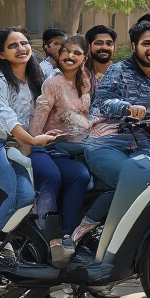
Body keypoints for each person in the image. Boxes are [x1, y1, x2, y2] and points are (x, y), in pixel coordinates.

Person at [73, 20, 150, 244]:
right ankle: (82, 231)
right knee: (135, 181)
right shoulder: (118, 70)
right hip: (107, 143)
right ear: (133, 47)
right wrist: (127, 108)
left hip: (148, 146)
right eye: (146, 43)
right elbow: (101, 103)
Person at [0, 28, 58, 273]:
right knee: (23, 195)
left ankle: (32, 263)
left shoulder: (39, 76)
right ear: (0, 53)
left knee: (37, 205)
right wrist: (32, 141)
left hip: (23, 147)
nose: (22, 48)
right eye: (13, 46)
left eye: (24, 43)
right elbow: (6, 117)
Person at [27, 35, 93, 259]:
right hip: (47, 148)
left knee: (81, 176)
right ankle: (41, 235)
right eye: (66, 51)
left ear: (85, 57)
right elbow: (37, 122)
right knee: (52, 177)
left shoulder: (85, 81)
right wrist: (33, 145)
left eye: (76, 53)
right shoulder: (53, 83)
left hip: (73, 150)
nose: (70, 56)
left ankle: (69, 237)